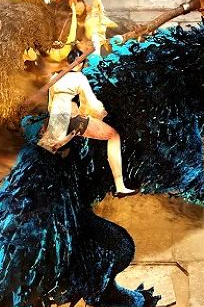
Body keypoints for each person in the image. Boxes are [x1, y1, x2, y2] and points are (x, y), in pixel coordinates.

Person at [39, 47, 137, 196]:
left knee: (52, 152)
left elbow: (50, 106)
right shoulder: (79, 77)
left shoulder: (55, 76)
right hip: (71, 120)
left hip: (55, 122)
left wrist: (48, 124)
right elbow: (91, 103)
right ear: (79, 63)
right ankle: (120, 187)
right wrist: (100, 113)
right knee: (113, 136)